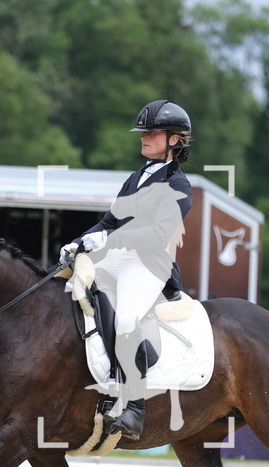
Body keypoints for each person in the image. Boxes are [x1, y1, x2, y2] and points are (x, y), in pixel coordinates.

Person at [59, 100, 194, 439]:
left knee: (126, 318)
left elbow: (158, 234)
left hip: (148, 266)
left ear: (174, 140)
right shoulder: (135, 178)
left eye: (151, 132)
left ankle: (134, 406)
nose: (143, 138)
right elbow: (109, 220)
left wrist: (108, 239)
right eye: (143, 133)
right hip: (117, 260)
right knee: (69, 293)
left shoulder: (179, 186)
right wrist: (81, 241)